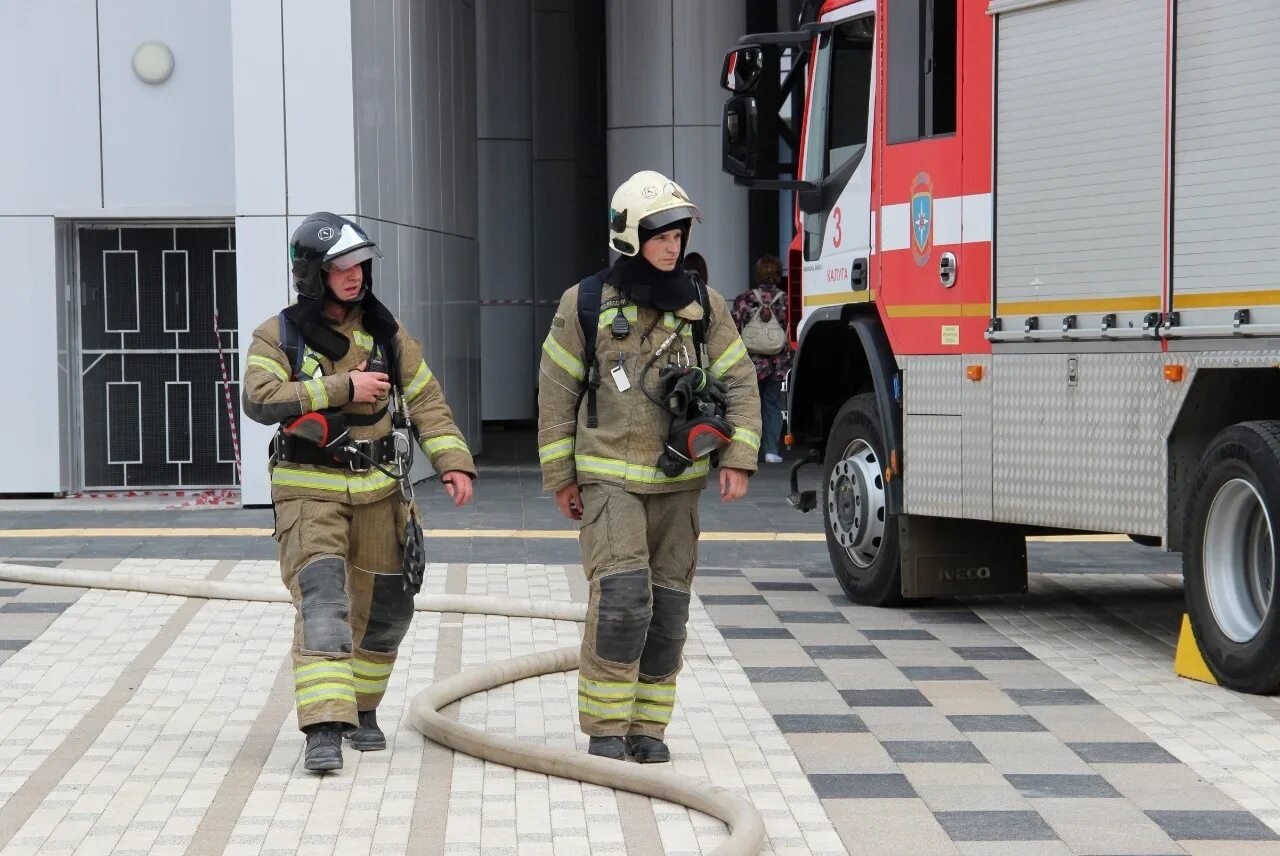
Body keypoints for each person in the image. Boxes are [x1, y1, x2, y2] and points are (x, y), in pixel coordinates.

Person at [537, 171, 762, 763]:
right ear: (631, 236)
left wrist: (739, 457)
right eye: (660, 234)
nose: (672, 245)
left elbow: (739, 380)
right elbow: (556, 394)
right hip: (609, 477)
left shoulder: (702, 306)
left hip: (678, 484)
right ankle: (607, 728)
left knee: (669, 610)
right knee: (623, 599)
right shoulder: (585, 304)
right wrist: (561, 477)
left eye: (679, 234)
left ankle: (648, 730)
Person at [242, 212, 477, 772]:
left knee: (388, 610)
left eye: (360, 264)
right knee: (324, 604)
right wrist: (342, 386)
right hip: (309, 492)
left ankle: (362, 709)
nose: (354, 276)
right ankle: (324, 727)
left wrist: (453, 462)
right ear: (314, 273)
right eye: (341, 266)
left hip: (381, 493)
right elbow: (260, 398)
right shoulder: (279, 336)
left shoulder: (389, 336)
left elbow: (427, 403)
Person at [731, 255, 791, 463]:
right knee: (773, 405)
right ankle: (771, 450)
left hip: (751, 363)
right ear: (778, 274)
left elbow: (733, 329)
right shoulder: (786, 300)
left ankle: (748, 451)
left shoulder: (744, 299)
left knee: (749, 405)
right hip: (778, 363)